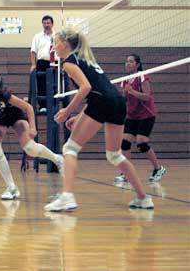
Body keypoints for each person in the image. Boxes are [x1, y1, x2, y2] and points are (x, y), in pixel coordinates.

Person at [44, 28, 154, 212]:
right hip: (118, 102)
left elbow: (86, 88)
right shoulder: (86, 59)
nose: (54, 47)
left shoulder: (69, 62)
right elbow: (98, 91)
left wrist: (67, 111)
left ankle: (67, 197)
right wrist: (80, 116)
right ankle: (143, 198)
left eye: (55, 42)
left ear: (64, 44)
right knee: (114, 155)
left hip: (103, 102)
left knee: (70, 148)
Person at [113, 54, 166, 187]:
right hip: (132, 115)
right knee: (125, 143)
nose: (128, 64)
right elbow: (125, 98)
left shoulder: (142, 76)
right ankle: (127, 173)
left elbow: (147, 97)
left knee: (141, 143)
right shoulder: (125, 80)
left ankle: (158, 169)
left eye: (131, 62)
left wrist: (131, 91)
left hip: (146, 115)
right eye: (126, 62)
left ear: (137, 64)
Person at [30, 15, 56, 112]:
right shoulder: (37, 36)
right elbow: (33, 51)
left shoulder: (57, 36)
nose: (46, 25)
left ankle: (53, 105)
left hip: (54, 63)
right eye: (44, 23)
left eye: (48, 23)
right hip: (41, 63)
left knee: (54, 84)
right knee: (41, 85)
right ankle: (42, 106)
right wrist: (33, 64)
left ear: (52, 24)